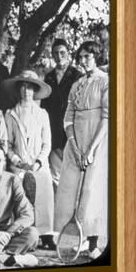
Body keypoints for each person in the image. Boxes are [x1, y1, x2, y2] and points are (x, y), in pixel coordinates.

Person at [54, 41, 109, 260]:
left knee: (92, 192)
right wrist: (75, 147)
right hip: (75, 145)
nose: (83, 60)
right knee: (69, 191)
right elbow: (68, 118)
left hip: (97, 143)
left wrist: (92, 150)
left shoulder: (105, 82)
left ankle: (94, 243)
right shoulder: (76, 84)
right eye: (81, 57)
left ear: (96, 57)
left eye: (88, 56)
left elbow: (106, 118)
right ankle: (74, 241)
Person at [3, 70, 55, 248]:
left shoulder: (42, 114)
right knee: (15, 188)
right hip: (18, 165)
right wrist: (17, 161)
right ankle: (20, 231)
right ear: (19, 90)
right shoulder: (10, 114)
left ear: (35, 90)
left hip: (38, 164)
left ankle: (45, 234)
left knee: (44, 186)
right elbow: (7, 144)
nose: (26, 91)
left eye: (30, 87)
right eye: (23, 87)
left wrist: (38, 162)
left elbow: (47, 144)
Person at [41, 39, 82, 188]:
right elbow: (45, 107)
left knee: (72, 178)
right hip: (54, 133)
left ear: (68, 53)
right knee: (55, 177)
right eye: (56, 53)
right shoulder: (49, 77)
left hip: (71, 132)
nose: (59, 56)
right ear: (52, 55)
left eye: (62, 52)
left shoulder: (78, 76)